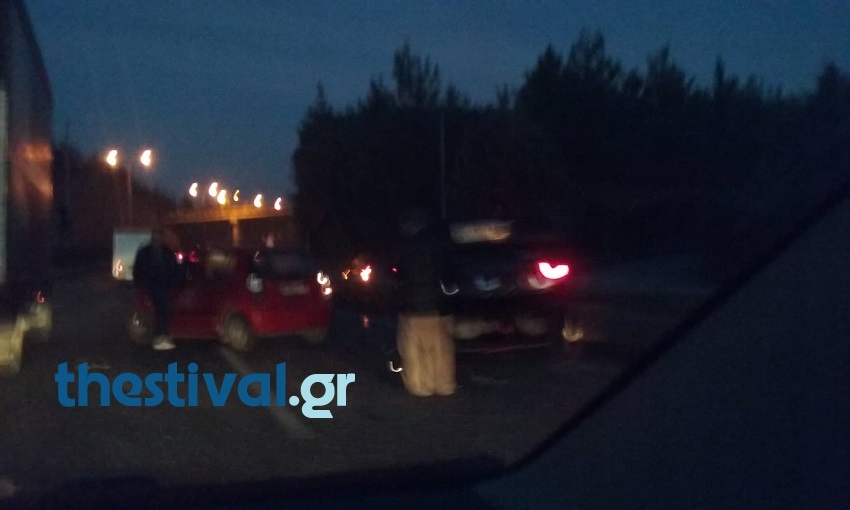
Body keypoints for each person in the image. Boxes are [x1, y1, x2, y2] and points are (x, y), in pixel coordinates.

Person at [394, 208, 456, 397]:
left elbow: (400, 278)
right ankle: (445, 386)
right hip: (437, 308)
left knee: (414, 352)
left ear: (409, 226)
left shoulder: (406, 249)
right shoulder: (438, 245)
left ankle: (421, 388)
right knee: (440, 350)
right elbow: (448, 276)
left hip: (413, 308)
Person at [133, 227, 181, 351]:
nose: (158, 238)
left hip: (163, 286)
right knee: (160, 310)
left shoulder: (165, 252)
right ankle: (159, 337)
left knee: (164, 310)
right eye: (157, 236)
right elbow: (138, 270)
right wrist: (141, 285)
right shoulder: (145, 252)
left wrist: (173, 282)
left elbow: (174, 269)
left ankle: (162, 336)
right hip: (152, 286)